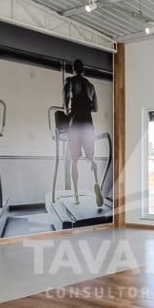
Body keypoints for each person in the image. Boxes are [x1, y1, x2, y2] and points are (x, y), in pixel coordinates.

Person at [63, 59, 102, 208]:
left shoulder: (70, 81)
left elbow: (65, 100)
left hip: (76, 121)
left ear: (73, 69)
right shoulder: (90, 85)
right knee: (91, 157)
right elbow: (95, 108)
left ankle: (76, 194)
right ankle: (97, 183)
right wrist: (85, 107)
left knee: (74, 160)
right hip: (88, 122)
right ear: (84, 70)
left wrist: (67, 109)